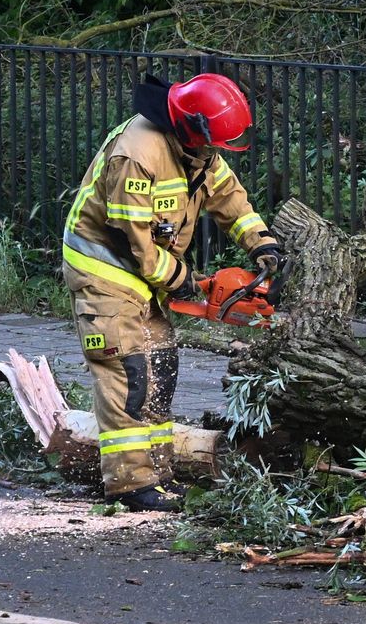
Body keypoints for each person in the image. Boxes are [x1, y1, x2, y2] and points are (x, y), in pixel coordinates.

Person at [61, 73, 286, 511]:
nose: (216, 152)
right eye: (212, 144)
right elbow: (135, 244)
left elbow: (227, 195)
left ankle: (158, 476)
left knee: (159, 369)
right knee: (129, 372)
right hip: (105, 270)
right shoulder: (136, 156)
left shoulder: (197, 152)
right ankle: (130, 485)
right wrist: (181, 278)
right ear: (191, 128)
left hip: (144, 275)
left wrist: (261, 243)